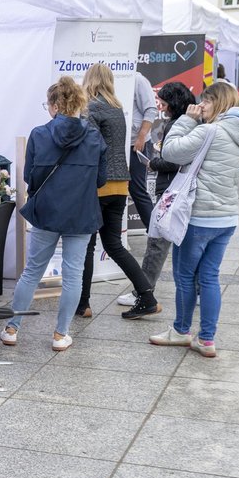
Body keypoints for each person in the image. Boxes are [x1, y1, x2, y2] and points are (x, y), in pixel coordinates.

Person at [150, 82, 239, 357]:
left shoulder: (209, 130)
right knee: (209, 277)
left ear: (217, 102)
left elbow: (170, 151)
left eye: (205, 102)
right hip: (226, 218)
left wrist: (188, 119)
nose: (201, 106)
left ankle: (181, 331)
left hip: (198, 218)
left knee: (185, 277)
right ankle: (207, 339)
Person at [0, 76, 106, 352]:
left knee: (32, 270)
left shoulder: (39, 134)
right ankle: (60, 334)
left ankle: (12, 328)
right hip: (81, 214)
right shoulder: (94, 136)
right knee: (73, 275)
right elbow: (101, 179)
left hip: (47, 211)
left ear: (55, 104)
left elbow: (29, 178)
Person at [75, 64, 161, 320]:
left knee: (87, 247)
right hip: (120, 185)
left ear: (88, 80)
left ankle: (84, 304)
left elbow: (89, 145)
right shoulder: (117, 107)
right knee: (114, 245)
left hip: (97, 185)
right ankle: (146, 295)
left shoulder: (90, 107)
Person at [117, 82, 197, 307]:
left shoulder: (179, 125)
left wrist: (154, 163)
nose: (160, 105)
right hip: (182, 189)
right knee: (187, 245)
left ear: (174, 101)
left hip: (172, 189)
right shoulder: (190, 123)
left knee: (157, 244)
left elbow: (175, 159)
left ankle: (143, 291)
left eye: (163, 101)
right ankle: (196, 290)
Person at [128, 71, 158, 231]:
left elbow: (151, 110)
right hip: (118, 142)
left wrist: (140, 138)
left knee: (137, 188)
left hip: (136, 143)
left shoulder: (138, 79)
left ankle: (155, 231)